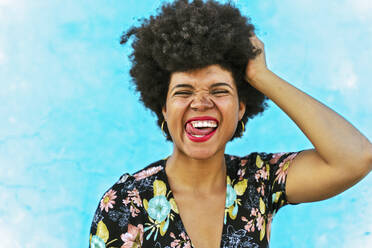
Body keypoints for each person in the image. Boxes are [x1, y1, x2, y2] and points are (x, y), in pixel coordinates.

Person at [89, 0, 372, 247]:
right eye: (184, 91)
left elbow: (355, 157)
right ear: (163, 109)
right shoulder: (124, 203)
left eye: (219, 90)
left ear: (241, 109)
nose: (201, 103)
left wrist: (261, 76)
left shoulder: (259, 181)